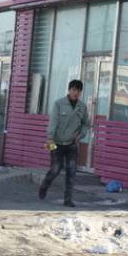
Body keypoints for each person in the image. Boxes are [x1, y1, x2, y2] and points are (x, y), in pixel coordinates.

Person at [38, 79, 89, 207]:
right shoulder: (59, 104)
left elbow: (85, 124)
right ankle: (44, 185)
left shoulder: (82, 107)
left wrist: (81, 135)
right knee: (56, 168)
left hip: (72, 143)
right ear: (69, 90)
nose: (76, 93)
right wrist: (50, 138)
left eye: (78, 91)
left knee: (71, 171)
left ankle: (68, 199)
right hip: (56, 142)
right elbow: (53, 122)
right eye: (74, 90)